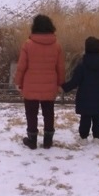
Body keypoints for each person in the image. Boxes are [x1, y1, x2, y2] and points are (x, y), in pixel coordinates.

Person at [14, 14, 65, 149]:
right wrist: (60, 83)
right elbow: (60, 67)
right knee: (48, 113)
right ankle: (48, 141)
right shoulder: (57, 46)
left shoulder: (28, 44)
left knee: (31, 114)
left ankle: (32, 140)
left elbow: (21, 66)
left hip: (30, 85)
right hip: (49, 85)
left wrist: (18, 82)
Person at [62, 36, 99, 141]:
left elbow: (75, 81)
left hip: (85, 97)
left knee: (85, 118)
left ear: (86, 48)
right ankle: (97, 136)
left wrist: (64, 87)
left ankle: (83, 137)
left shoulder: (82, 65)